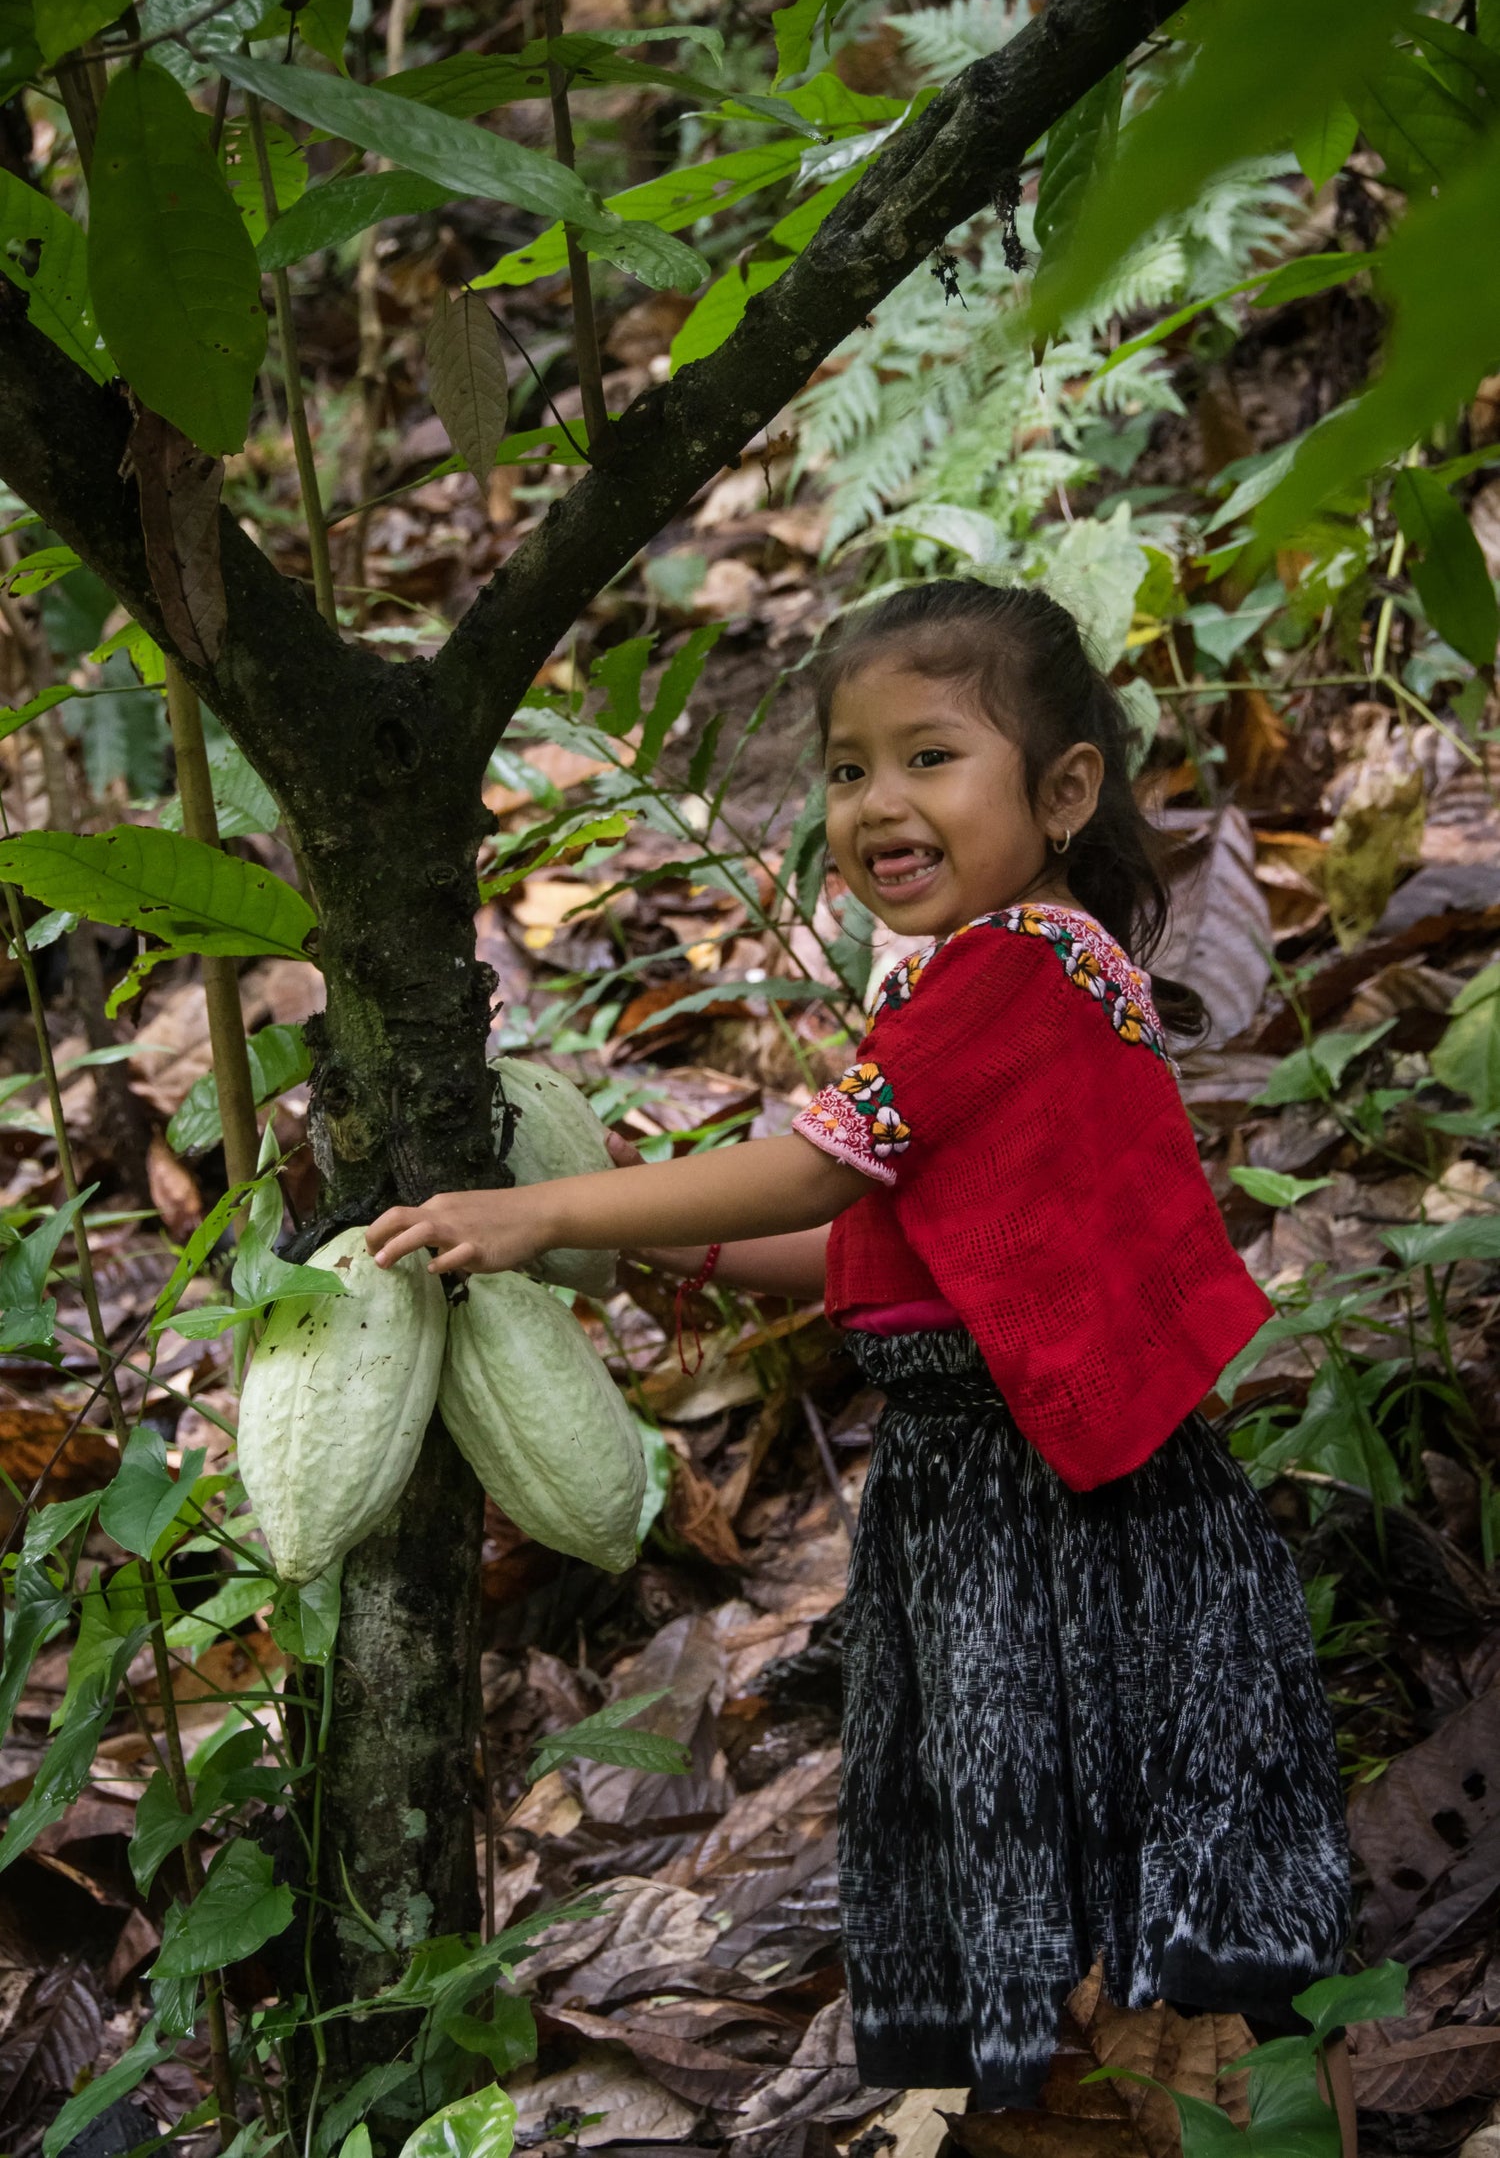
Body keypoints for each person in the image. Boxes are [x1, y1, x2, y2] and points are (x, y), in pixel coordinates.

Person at [367, 580, 1354, 2146]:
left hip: (1057, 1504)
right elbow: (859, 1246)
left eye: (931, 756)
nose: (878, 802)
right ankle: (1089, 2100)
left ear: (1065, 788)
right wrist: (630, 1237)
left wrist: (548, 1198)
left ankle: (1177, 2097)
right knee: (1030, 1830)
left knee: (1093, 1830)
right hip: (986, 1488)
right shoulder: (969, 978)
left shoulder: (1018, 967)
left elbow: (822, 1171)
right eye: (845, 768)